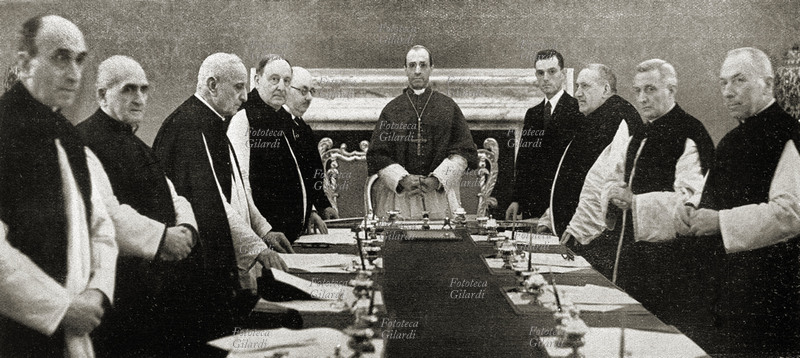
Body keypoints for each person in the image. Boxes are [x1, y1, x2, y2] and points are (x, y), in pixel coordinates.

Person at [152, 53, 293, 356]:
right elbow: (212, 204)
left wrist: (264, 231)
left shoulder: (212, 121)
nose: (245, 97)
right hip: (195, 274)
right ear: (212, 85)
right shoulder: (190, 126)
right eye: (239, 87)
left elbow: (239, 190)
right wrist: (257, 249)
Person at [0, 15, 117, 357]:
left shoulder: (68, 136)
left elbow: (100, 225)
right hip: (18, 334)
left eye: (80, 60)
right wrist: (60, 308)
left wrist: (97, 291)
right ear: (24, 62)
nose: (74, 73)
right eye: (61, 57)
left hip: (77, 328)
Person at [563, 59, 714, 314]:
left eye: (651, 89)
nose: (642, 98)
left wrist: (635, 202)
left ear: (672, 90)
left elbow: (692, 204)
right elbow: (610, 180)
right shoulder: (640, 135)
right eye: (638, 91)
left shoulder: (689, 133)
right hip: (630, 259)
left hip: (671, 266)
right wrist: (612, 196)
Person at [679, 47, 800, 355]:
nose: (728, 92)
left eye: (739, 80)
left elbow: (790, 213)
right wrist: (692, 210)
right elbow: (713, 198)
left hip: (767, 293)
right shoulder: (733, 139)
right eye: (723, 83)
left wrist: (720, 222)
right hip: (726, 288)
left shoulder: (789, 134)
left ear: (768, 84)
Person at [75, 55, 198, 356]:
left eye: (144, 89)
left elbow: (173, 192)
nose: (139, 98)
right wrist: (163, 238)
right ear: (102, 94)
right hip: (120, 293)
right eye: (129, 89)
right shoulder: (84, 140)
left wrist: (187, 229)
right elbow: (106, 214)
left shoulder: (138, 143)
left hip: (156, 288)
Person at [228, 58, 336, 243]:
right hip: (265, 238)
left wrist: (309, 211)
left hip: (289, 235)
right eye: (274, 79)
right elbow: (240, 187)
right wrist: (264, 231)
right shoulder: (244, 118)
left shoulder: (281, 116)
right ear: (257, 80)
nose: (281, 86)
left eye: (286, 81)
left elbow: (296, 174)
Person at [368, 45, 478, 219]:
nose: (417, 71)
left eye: (423, 65)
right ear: (405, 70)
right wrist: (402, 179)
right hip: (401, 198)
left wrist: (437, 179)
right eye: (412, 65)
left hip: (439, 196)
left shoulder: (448, 107)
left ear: (431, 68)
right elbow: (377, 155)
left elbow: (463, 152)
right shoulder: (392, 110)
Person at [536, 64, 641, 237]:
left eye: (585, 86)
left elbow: (605, 185)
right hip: (573, 231)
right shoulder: (596, 118)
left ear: (606, 89)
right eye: (577, 86)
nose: (577, 93)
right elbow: (572, 177)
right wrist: (550, 218)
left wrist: (578, 231)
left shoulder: (618, 120)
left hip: (590, 236)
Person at [506, 49, 581, 221]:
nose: (545, 78)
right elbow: (523, 160)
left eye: (552, 71)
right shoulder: (532, 114)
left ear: (562, 74)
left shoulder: (578, 110)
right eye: (540, 73)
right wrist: (516, 199)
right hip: (534, 203)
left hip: (565, 202)